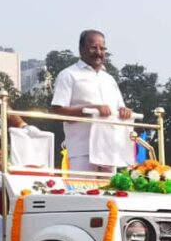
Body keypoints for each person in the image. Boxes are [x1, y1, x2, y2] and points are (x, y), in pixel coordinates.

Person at [50, 30, 134, 172]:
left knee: (109, 193)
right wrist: (92, 109)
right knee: (84, 192)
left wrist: (125, 111)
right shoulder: (68, 75)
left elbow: (120, 109)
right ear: (81, 49)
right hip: (82, 150)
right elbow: (58, 110)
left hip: (109, 150)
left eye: (102, 49)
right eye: (93, 48)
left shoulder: (109, 79)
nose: (98, 52)